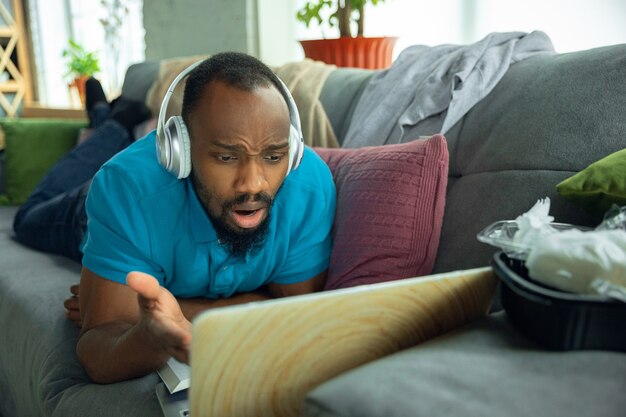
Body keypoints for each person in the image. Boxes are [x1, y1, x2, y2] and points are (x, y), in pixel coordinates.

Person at [14, 52, 336, 384]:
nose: (254, 184)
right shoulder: (125, 190)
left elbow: (294, 315)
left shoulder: (308, 187)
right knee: (27, 218)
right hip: (84, 214)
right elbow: (98, 350)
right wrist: (147, 340)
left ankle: (109, 120)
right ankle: (111, 124)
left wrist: (179, 313)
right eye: (226, 156)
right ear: (179, 150)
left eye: (273, 156)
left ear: (293, 151)